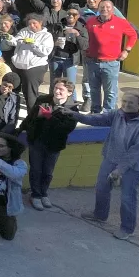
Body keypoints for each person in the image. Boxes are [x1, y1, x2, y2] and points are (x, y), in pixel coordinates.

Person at [73, 93, 139, 240]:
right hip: (111, 159)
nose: (126, 105)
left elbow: (136, 152)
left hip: (132, 167)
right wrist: (75, 115)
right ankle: (100, 214)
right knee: (102, 188)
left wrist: (120, 170)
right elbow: (96, 119)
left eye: (131, 103)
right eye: (125, 101)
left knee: (127, 197)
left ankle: (127, 228)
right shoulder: (117, 114)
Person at [18, 79, 79, 211]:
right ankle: (36, 195)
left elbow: (66, 128)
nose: (57, 91)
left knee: (48, 171)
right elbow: (30, 119)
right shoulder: (43, 99)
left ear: (69, 93)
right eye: (55, 88)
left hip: (54, 145)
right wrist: (36, 118)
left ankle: (43, 193)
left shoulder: (72, 108)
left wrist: (49, 117)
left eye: (61, 89)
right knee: (36, 169)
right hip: (37, 141)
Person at [83, 0, 137, 114]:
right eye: (102, 7)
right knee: (94, 89)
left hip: (111, 63)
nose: (105, 9)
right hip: (92, 62)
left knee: (110, 92)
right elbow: (84, 36)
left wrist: (127, 51)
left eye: (108, 7)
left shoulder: (120, 22)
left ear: (113, 10)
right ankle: (95, 112)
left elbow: (133, 35)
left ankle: (109, 114)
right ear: (98, 8)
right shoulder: (91, 21)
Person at [10, 14, 54, 109]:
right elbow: (15, 41)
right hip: (18, 65)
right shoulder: (24, 31)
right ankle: (12, 114)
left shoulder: (47, 35)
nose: (32, 26)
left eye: (34, 23)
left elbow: (46, 52)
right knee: (13, 90)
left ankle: (32, 116)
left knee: (30, 93)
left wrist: (33, 43)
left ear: (41, 23)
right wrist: (10, 39)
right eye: (30, 24)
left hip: (34, 66)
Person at [49, 5, 88, 102]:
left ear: (78, 16)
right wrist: (54, 43)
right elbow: (47, 39)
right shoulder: (58, 25)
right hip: (56, 58)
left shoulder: (81, 28)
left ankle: (71, 107)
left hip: (70, 61)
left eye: (74, 14)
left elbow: (84, 46)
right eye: (68, 13)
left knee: (70, 86)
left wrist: (77, 34)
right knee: (54, 85)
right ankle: (51, 104)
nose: (70, 16)